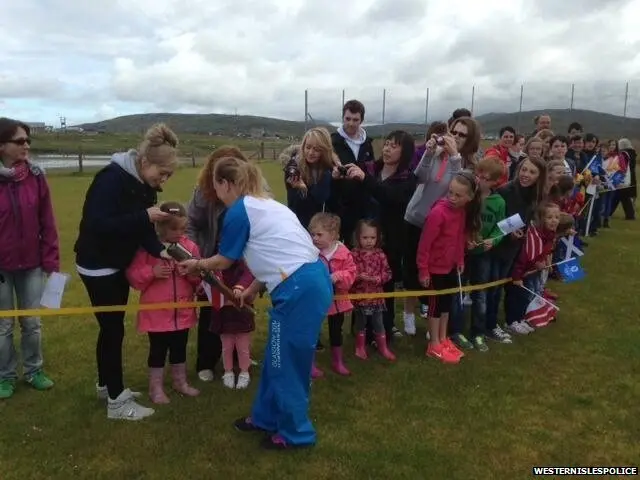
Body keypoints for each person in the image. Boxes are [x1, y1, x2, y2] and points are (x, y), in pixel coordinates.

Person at [178, 155, 333, 450]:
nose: (215, 192)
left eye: (215, 185)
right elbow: (276, 254)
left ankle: (295, 433)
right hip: (303, 281)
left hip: (299, 288)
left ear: (226, 183)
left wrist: (197, 263)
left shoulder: (240, 211)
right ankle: (265, 417)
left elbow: (225, 259)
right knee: (277, 359)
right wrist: (251, 288)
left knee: (287, 364)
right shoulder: (269, 205)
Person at [74, 123, 179, 420]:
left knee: (111, 327)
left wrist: (160, 250)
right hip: (98, 265)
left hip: (116, 262)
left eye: (168, 176)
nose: (164, 181)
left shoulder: (145, 186)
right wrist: (143, 215)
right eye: (162, 173)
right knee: (112, 329)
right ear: (145, 162)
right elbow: (98, 224)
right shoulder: (110, 180)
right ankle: (117, 403)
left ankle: (106, 385)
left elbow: (142, 228)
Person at [187, 146, 268, 382]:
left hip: (243, 260)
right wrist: (198, 255)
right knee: (211, 312)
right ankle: (206, 362)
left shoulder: (254, 194)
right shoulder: (203, 193)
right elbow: (191, 223)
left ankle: (238, 358)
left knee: (240, 308)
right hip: (213, 257)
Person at [0, 117, 60, 400]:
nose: (26, 145)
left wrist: (51, 263)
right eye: (19, 141)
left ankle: (34, 371)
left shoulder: (37, 177)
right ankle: (5, 377)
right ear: (2, 146)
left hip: (32, 265)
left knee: (32, 322)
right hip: (1, 268)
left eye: (28, 141)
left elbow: (47, 222)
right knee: (3, 325)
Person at [403, 118, 480, 333]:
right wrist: (428, 154)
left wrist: (455, 156)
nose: (455, 136)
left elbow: (457, 188)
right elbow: (419, 178)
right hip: (417, 217)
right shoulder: (438, 154)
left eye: (462, 134)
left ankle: (432, 315)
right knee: (411, 270)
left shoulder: (467, 165)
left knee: (436, 273)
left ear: (470, 139)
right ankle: (408, 312)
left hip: (442, 225)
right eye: (453, 131)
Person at [126, 202, 202, 404]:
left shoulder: (190, 247)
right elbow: (133, 277)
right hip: (157, 314)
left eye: (183, 229)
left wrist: (191, 273)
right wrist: (152, 273)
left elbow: (199, 277)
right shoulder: (147, 249)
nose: (180, 233)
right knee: (157, 351)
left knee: (180, 348)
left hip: (182, 312)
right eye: (174, 229)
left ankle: (180, 382)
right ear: (160, 227)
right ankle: (155, 388)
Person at [417, 171, 482, 364]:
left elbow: (459, 238)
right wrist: (423, 270)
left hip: (451, 267)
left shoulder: (462, 213)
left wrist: (460, 260)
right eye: (450, 193)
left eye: (458, 195)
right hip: (434, 269)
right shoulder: (438, 213)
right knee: (435, 308)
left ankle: (444, 338)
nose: (452, 198)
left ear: (469, 197)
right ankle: (434, 343)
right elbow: (425, 244)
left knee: (446, 305)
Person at [487, 157, 547, 337]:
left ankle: (510, 320)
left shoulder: (535, 196)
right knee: (493, 288)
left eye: (532, 172)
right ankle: (489, 325)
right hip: (498, 247)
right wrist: (508, 232)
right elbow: (494, 220)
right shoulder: (505, 191)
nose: (526, 175)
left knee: (511, 285)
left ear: (539, 177)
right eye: (524, 170)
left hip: (515, 248)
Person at [451, 157, 505, 353]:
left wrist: (494, 240)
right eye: (478, 175)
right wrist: (465, 239)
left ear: (495, 182)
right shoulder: (468, 198)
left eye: (486, 178)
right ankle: (455, 331)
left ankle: (478, 333)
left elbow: (501, 228)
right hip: (463, 253)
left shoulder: (498, 202)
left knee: (480, 293)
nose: (480, 180)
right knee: (458, 290)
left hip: (484, 254)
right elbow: (458, 222)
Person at [309, 213, 357, 377]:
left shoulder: (344, 253)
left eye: (319, 234)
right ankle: (310, 364)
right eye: (313, 234)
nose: (315, 238)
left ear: (334, 235)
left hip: (337, 302)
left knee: (336, 330)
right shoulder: (311, 252)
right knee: (313, 331)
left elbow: (351, 273)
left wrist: (339, 276)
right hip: (316, 301)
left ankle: (337, 361)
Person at [330, 99, 376, 245]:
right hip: (339, 206)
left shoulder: (367, 143)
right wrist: (334, 176)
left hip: (363, 206)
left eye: (355, 119)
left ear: (361, 120)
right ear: (342, 118)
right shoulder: (333, 141)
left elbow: (371, 170)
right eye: (347, 119)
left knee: (362, 248)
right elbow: (324, 172)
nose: (351, 123)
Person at [508, 202, 561, 329]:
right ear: (542, 219)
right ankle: (513, 321)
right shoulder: (534, 236)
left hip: (532, 271)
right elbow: (523, 258)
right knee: (520, 296)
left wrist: (542, 262)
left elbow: (543, 252)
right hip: (522, 273)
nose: (554, 221)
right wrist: (517, 277)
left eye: (556, 217)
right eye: (549, 217)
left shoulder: (550, 234)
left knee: (531, 294)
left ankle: (523, 318)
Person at [350, 220, 395, 361]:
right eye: (365, 238)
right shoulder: (354, 254)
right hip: (360, 296)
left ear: (378, 237)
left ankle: (383, 347)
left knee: (378, 322)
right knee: (361, 322)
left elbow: (388, 273)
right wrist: (358, 276)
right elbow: (348, 273)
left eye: (372, 238)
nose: (369, 241)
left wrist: (378, 279)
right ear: (357, 237)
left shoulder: (380, 254)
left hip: (376, 296)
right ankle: (360, 347)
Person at [211, 257, 256, 390]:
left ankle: (244, 372)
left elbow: (250, 274)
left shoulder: (244, 260)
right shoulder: (216, 262)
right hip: (223, 314)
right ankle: (228, 372)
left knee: (243, 346)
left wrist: (240, 287)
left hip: (242, 312)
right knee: (226, 346)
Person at [282, 127, 335, 229]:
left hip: (325, 228)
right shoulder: (293, 169)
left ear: (324, 151)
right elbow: (296, 206)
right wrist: (303, 190)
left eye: (316, 149)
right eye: (308, 147)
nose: (311, 152)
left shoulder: (330, 169)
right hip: (300, 226)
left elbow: (327, 199)